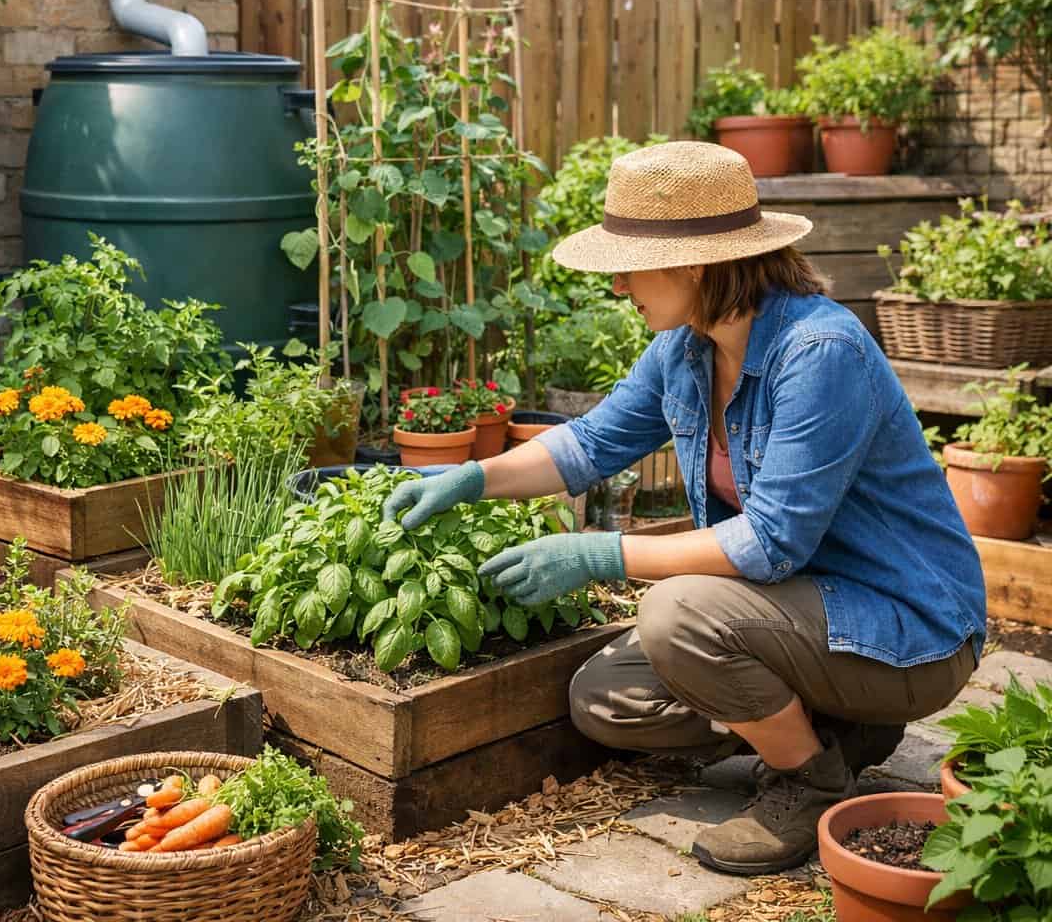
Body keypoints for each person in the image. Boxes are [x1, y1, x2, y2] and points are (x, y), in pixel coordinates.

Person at [382, 141, 985, 876]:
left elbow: (771, 545)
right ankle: (836, 728)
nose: (617, 289)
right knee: (603, 699)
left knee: (677, 616)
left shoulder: (819, 352)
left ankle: (808, 779)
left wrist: (598, 555)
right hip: (800, 618)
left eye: (627, 268)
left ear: (692, 263)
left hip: (907, 631)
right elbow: (591, 444)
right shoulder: (686, 348)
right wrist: (470, 477)